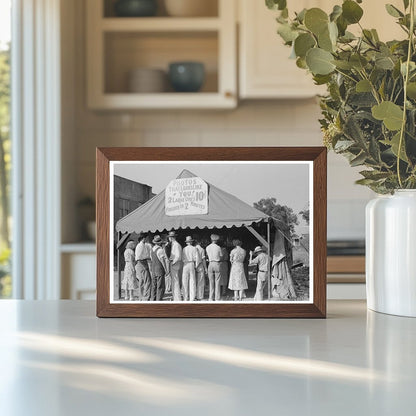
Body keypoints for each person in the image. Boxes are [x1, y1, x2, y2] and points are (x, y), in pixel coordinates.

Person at [150, 235, 170, 301]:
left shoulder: (152, 249)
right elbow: (162, 261)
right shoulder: (160, 250)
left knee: (154, 285)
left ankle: (153, 299)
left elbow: (151, 260)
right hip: (159, 269)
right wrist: (166, 270)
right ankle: (159, 299)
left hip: (153, 269)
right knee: (160, 285)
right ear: (160, 243)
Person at [181, 236, 201, 301]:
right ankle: (192, 297)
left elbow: (182, 258)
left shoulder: (184, 249)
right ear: (191, 242)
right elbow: (197, 258)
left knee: (185, 281)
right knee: (192, 281)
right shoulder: (194, 248)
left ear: (187, 242)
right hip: (192, 263)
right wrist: (196, 265)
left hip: (185, 264)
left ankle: (185, 297)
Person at [135, 232, 152, 301]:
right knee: (148, 281)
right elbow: (140, 256)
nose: (147, 239)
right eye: (146, 238)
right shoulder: (141, 245)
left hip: (140, 263)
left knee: (141, 281)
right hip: (142, 262)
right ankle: (146, 297)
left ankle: (141, 296)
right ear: (144, 238)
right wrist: (148, 257)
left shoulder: (141, 245)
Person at [205, 234, 223, 301]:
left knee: (211, 281)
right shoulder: (218, 247)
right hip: (217, 263)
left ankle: (210, 297)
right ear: (216, 240)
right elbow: (221, 256)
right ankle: (217, 297)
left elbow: (207, 255)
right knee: (217, 281)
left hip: (210, 263)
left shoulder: (207, 247)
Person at [168, 230, 182, 301]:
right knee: (174, 281)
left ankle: (177, 298)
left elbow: (178, 256)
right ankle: (175, 296)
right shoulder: (174, 244)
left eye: (169, 237)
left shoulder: (176, 245)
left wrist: (173, 263)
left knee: (175, 280)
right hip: (174, 263)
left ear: (171, 237)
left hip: (175, 264)